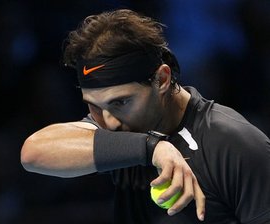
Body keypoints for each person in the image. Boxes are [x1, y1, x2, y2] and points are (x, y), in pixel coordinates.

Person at [20, 9, 270, 224]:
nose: (109, 122)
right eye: (95, 107)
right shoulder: (118, 131)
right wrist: (153, 149)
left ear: (162, 79)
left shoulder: (236, 144)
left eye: (121, 102)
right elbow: (33, 153)